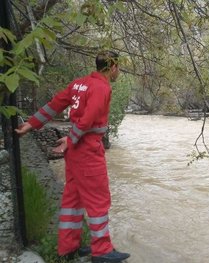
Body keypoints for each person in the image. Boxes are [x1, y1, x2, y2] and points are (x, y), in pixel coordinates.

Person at [15, 51, 130, 263]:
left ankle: (68, 247)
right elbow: (88, 120)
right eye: (118, 68)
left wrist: (31, 124)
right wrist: (71, 138)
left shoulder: (79, 84)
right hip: (87, 149)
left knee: (73, 199)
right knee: (98, 200)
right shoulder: (101, 87)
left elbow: (54, 104)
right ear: (113, 67)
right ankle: (102, 250)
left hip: (75, 153)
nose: (118, 72)